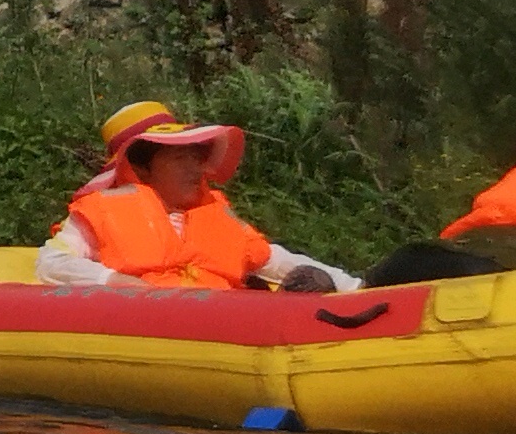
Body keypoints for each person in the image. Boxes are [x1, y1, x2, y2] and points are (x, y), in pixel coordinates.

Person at [38, 99, 354, 293]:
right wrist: (118, 282)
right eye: (179, 159)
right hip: (148, 325)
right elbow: (51, 264)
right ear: (140, 168)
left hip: (224, 326)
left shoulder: (213, 212)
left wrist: (353, 287)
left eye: (196, 157)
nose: (196, 169)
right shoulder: (100, 212)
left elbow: (274, 259)